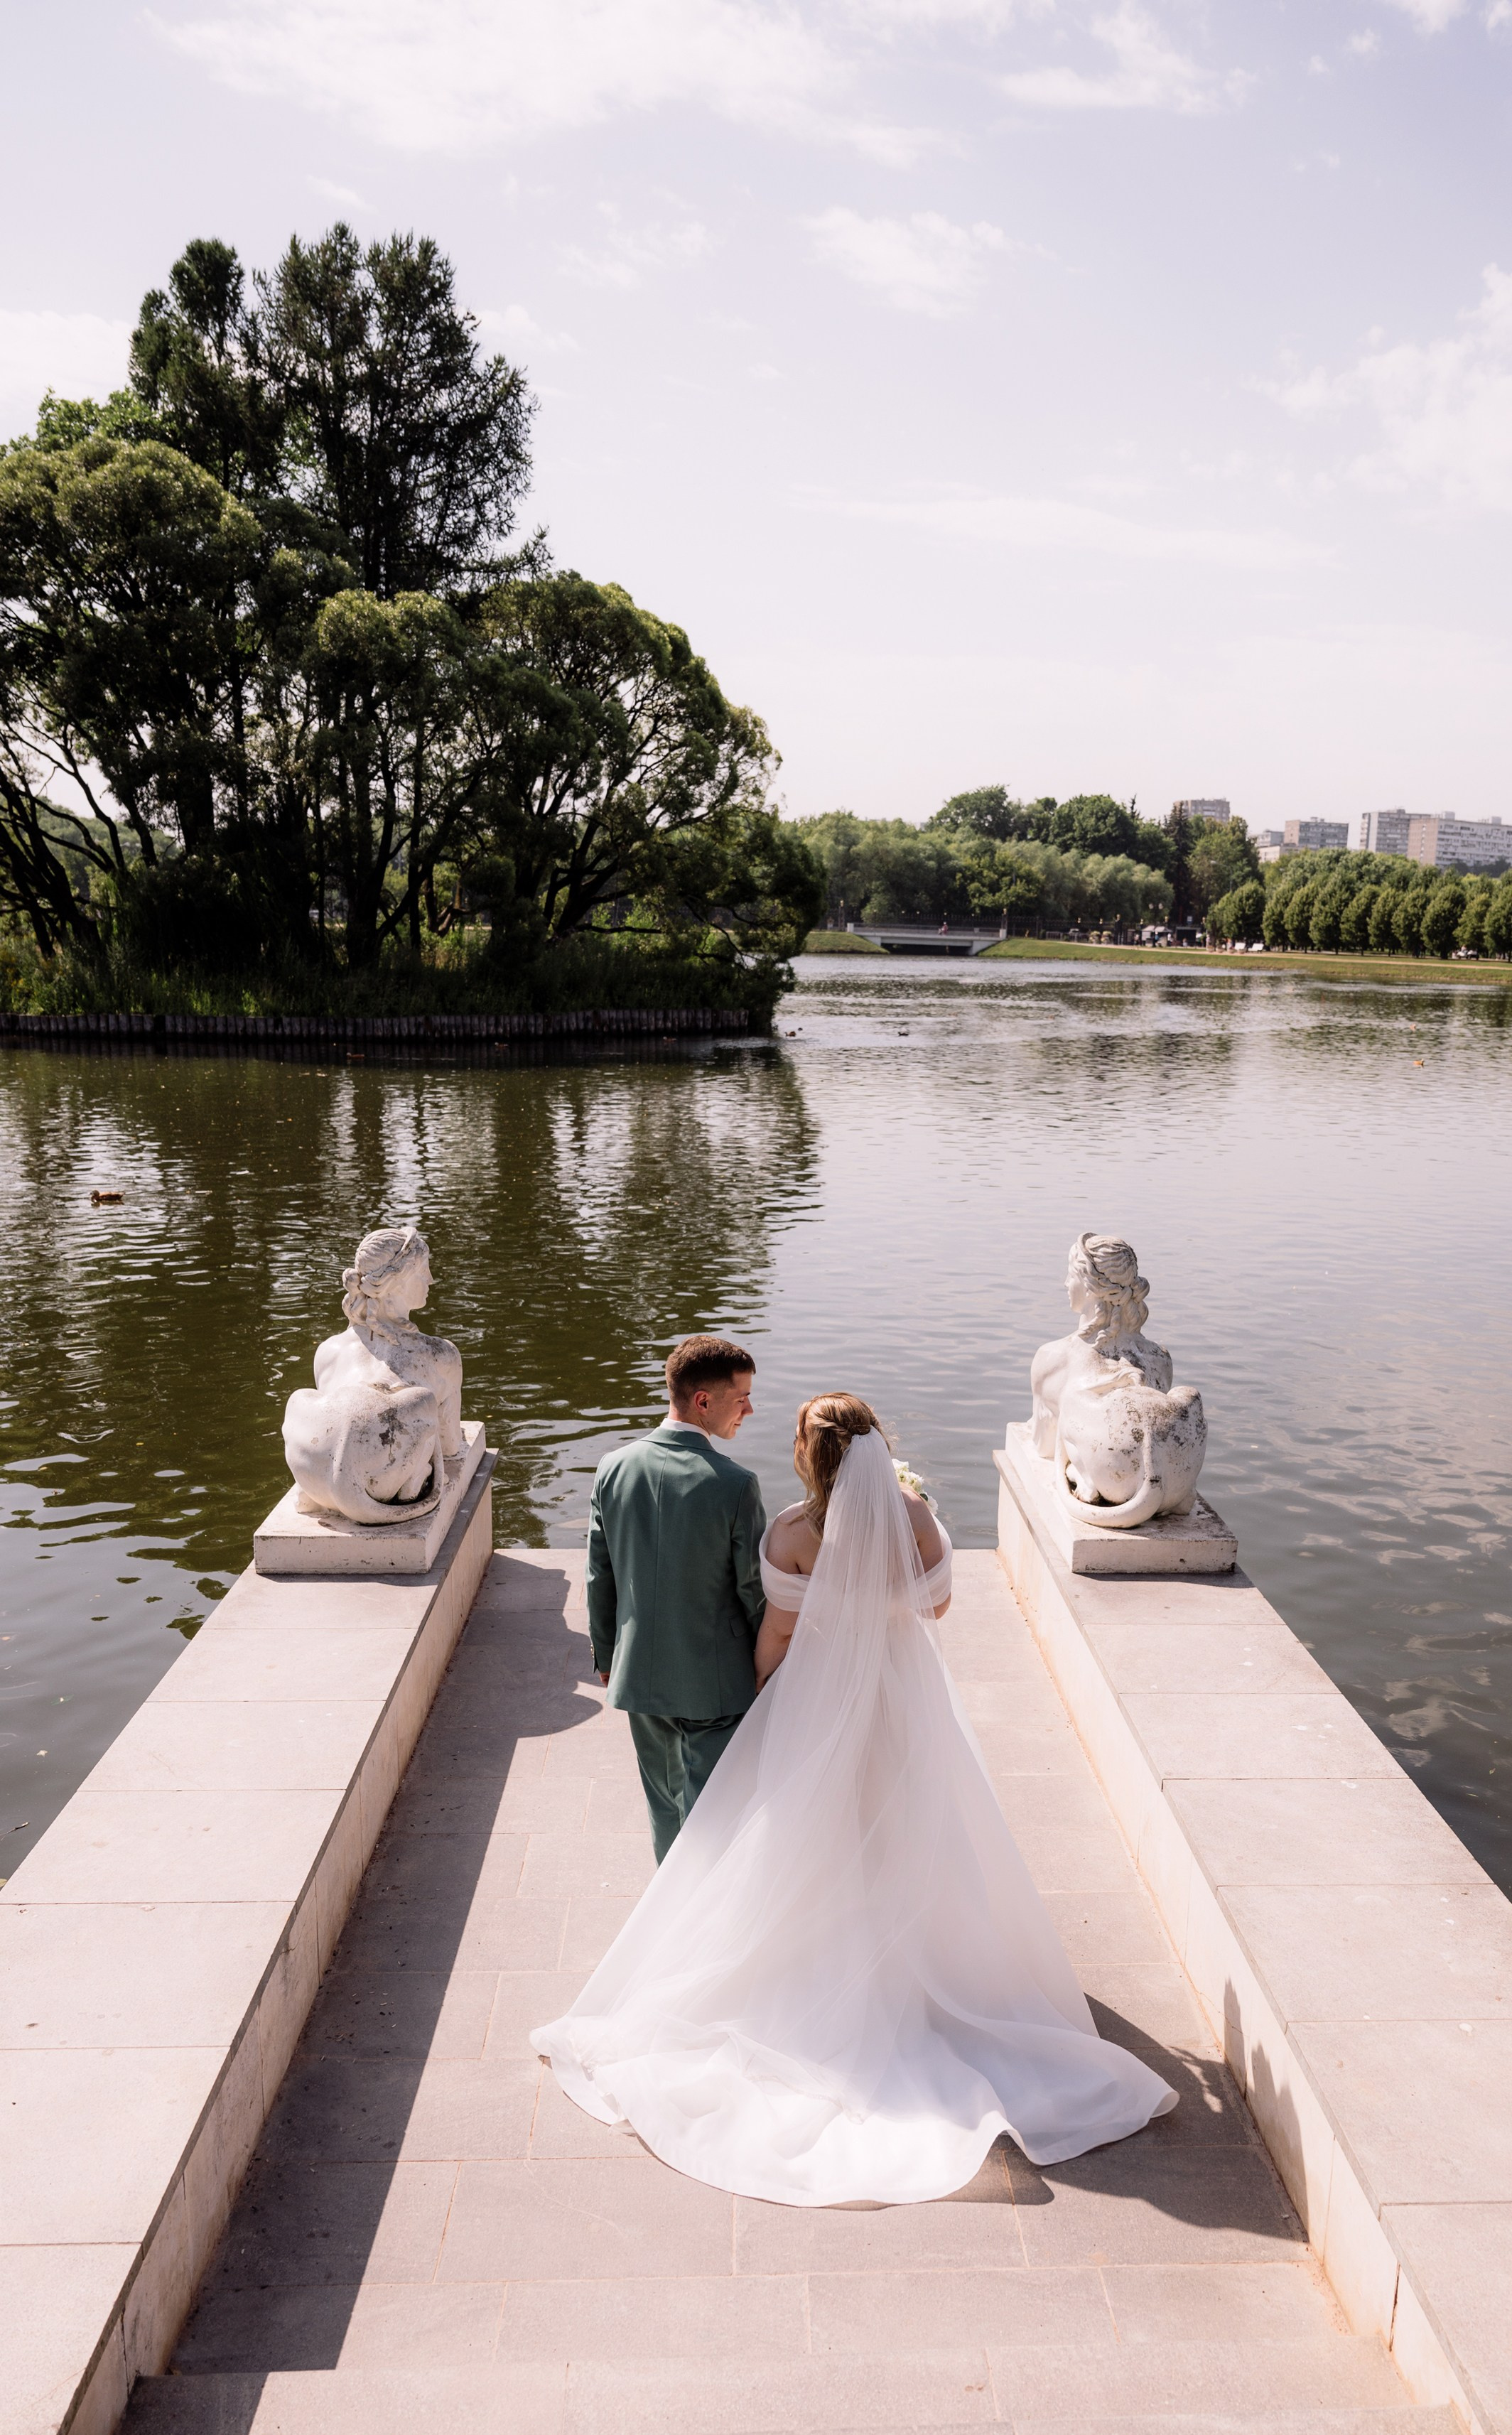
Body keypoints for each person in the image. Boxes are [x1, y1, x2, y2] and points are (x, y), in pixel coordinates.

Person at [535, 1393, 1176, 2206]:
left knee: (808, 1834)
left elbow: (777, 1631)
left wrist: (770, 1694)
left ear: (810, 1454)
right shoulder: (912, 1515)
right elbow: (937, 1604)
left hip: (817, 1693)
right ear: (876, 1449)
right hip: (902, 1697)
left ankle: (820, 1961)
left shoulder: (792, 1534)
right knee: (910, 1824)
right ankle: (913, 1960)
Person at [585, 1335, 766, 1864]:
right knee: (716, 1819)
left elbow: (601, 1575)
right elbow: (753, 1590)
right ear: (704, 1401)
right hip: (717, 1683)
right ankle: (705, 1927)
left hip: (639, 1673)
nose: (750, 1409)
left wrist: (606, 1655)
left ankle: (667, 1925)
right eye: (743, 1398)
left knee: (666, 1810)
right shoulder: (736, 1485)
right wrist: (775, 1664)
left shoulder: (612, 1467)